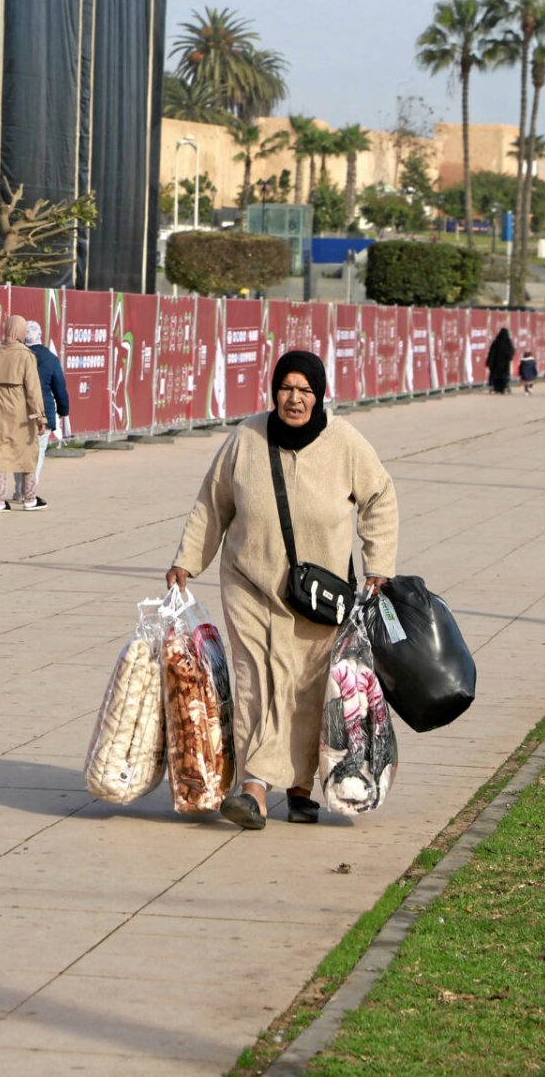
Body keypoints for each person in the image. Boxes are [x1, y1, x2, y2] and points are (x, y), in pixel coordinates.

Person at [168, 350, 397, 829]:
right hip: (250, 584)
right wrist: (188, 559)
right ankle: (253, 788)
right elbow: (213, 503)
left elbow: (379, 497)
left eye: (305, 391)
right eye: (286, 389)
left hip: (319, 595)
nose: (294, 399)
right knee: (255, 681)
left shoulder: (345, 443)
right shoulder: (246, 438)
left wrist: (378, 565)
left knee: (303, 688)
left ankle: (298, 788)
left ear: (319, 395)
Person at [0, 315, 46, 511]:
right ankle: (29, 498)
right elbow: (33, 389)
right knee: (27, 452)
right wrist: (40, 417)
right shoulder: (26, 355)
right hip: (20, 408)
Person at [27, 320, 71, 508]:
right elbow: (60, 387)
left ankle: (20, 488)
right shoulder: (50, 358)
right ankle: (30, 492)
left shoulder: (16, 355)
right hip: (44, 411)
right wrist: (63, 410)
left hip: (18, 411)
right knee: (38, 453)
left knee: (20, 452)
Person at [485, 327, 515, 395]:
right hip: (505, 365)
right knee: (504, 376)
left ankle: (495, 388)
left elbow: (491, 353)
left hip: (495, 364)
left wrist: (489, 362)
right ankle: (503, 388)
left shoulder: (495, 343)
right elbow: (511, 352)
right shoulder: (508, 343)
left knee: (495, 376)